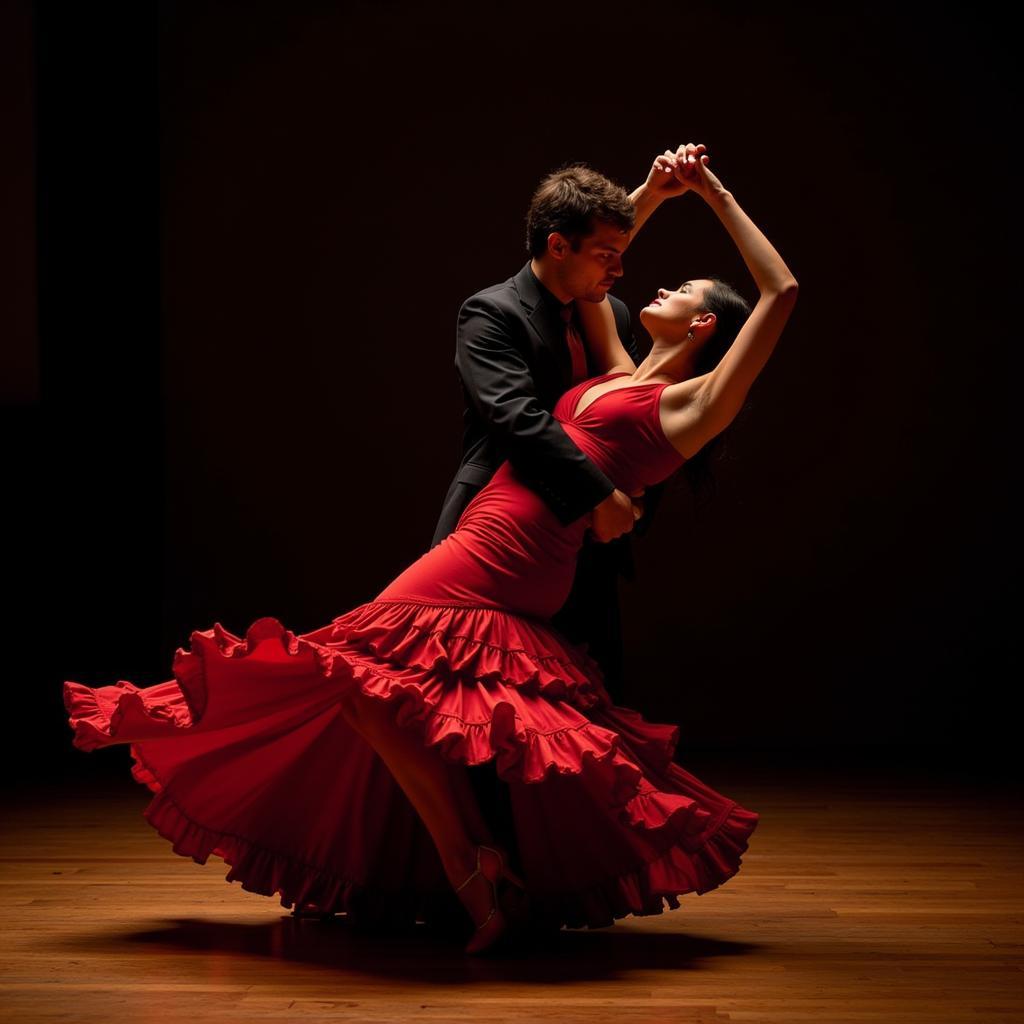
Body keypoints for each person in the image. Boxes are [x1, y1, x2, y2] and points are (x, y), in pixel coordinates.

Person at [63, 147, 796, 957]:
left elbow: (762, 288)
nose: (631, 277)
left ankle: (471, 864)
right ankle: (461, 871)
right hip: (499, 528)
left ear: (703, 327)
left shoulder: (693, 399)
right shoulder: (603, 351)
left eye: (675, 286)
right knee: (408, 698)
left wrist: (716, 194)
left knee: (364, 673)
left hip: (519, 547)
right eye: (613, 258)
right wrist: (655, 192)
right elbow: (574, 290)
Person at [432, 151, 695, 706]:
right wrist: (602, 495)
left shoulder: (611, 315)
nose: (619, 270)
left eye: (619, 255)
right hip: (498, 519)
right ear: (556, 247)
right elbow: (516, 419)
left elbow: (625, 417)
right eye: (606, 257)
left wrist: (648, 193)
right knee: (470, 694)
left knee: (588, 691)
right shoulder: (491, 313)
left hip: (586, 538)